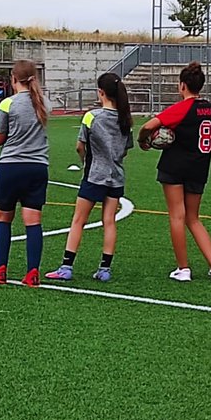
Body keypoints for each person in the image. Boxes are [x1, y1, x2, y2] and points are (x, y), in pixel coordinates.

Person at [137, 61, 211, 283]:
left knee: (177, 216)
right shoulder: (209, 109)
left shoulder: (181, 108)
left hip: (175, 166)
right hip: (199, 167)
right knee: (193, 218)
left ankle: (183, 268)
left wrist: (143, 141)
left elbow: (148, 126)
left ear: (182, 86)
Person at [46, 72, 132, 283]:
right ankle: (104, 269)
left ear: (101, 92)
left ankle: (66, 267)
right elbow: (125, 150)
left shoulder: (92, 116)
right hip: (116, 176)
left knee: (78, 220)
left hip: (94, 175)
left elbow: (80, 146)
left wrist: (85, 160)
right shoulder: (125, 119)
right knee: (109, 221)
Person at [0, 59, 50, 287]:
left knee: (3, 218)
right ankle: (32, 272)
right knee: (33, 221)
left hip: (11, 166)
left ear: (13, 79)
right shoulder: (45, 103)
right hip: (37, 167)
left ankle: (0, 270)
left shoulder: (8, 104)